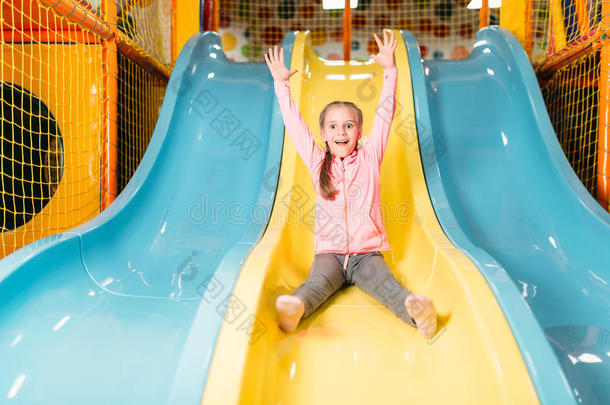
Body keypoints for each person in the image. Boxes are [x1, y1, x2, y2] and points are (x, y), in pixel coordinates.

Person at [264, 30, 437, 339]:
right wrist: (281, 84)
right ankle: (296, 309)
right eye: (333, 126)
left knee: (387, 287)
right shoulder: (318, 160)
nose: (341, 131)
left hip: (366, 256)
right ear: (324, 133)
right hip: (328, 255)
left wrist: (390, 71)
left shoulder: (371, 156)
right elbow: (293, 123)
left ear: (359, 132)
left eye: (348, 125)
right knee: (315, 286)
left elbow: (387, 112)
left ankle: (417, 313)